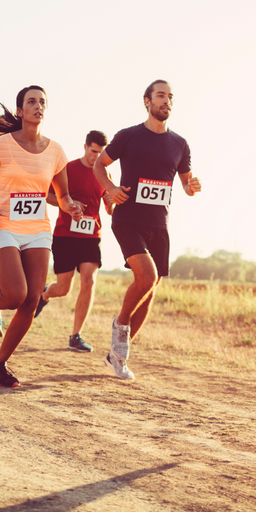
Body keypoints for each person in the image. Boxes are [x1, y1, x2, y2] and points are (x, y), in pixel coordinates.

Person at [0, 86, 83, 388]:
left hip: (38, 230)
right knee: (15, 294)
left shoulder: (56, 151)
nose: (38, 106)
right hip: (4, 226)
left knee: (31, 299)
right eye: (31, 101)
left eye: (43, 102)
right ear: (20, 111)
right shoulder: (2, 146)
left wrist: (70, 206)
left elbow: (63, 194)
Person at [94, 80, 200, 380]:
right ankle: (120, 328)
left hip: (159, 225)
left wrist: (192, 186)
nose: (166, 101)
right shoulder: (128, 136)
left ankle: (116, 354)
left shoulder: (180, 144)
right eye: (160, 96)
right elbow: (99, 167)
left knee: (149, 289)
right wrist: (111, 189)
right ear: (147, 101)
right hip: (128, 219)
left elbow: (186, 183)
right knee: (147, 277)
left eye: (170, 97)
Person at [33, 130, 113, 352]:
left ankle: (75, 336)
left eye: (101, 153)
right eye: (93, 151)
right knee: (63, 289)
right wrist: (68, 203)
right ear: (85, 146)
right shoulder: (68, 169)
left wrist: (110, 203)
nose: (96, 157)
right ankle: (46, 293)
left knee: (89, 280)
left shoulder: (105, 174)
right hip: (65, 235)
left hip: (90, 236)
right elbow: (47, 195)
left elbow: (110, 209)